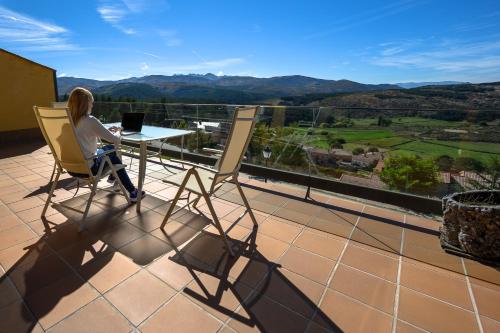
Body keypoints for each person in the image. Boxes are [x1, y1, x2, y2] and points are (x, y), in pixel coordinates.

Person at [67, 87, 145, 202]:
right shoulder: (89, 120)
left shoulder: (67, 121)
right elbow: (115, 140)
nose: (92, 106)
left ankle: (115, 177)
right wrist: (119, 130)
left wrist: (104, 130)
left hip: (71, 167)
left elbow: (83, 135)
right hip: (89, 168)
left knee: (108, 150)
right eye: (91, 103)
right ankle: (132, 191)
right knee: (112, 150)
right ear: (86, 103)